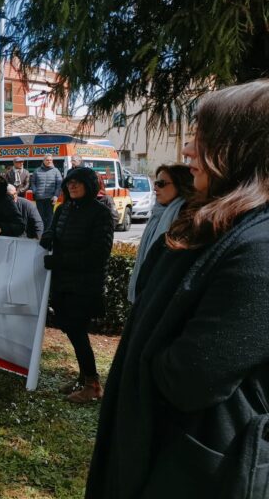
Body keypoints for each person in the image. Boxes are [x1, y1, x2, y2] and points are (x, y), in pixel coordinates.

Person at [86, 80, 269, 499]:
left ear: (244, 148)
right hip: (156, 441)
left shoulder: (259, 246)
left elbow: (191, 376)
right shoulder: (215, 223)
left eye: (204, 138)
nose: (187, 151)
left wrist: (150, 360)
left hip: (195, 464)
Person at [39, 167, 114, 403]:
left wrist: (60, 260)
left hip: (85, 285)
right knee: (71, 329)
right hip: (62, 282)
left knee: (78, 331)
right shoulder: (63, 209)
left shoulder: (101, 213)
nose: (72, 186)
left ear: (89, 185)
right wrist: (48, 236)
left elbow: (99, 253)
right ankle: (84, 378)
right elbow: (53, 230)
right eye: (69, 182)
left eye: (78, 182)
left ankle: (93, 384)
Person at [126, 163, 194, 303]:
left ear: (180, 185)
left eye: (161, 184)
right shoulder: (158, 213)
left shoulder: (186, 217)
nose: (155, 188)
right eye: (156, 183)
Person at [31, 154, 62, 231]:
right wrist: (35, 191)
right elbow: (33, 182)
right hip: (39, 198)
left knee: (49, 217)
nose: (49, 161)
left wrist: (56, 196)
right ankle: (40, 231)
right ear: (43, 161)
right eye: (47, 160)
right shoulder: (37, 170)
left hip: (50, 198)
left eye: (50, 160)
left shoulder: (56, 171)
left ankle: (48, 232)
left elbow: (59, 185)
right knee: (40, 216)